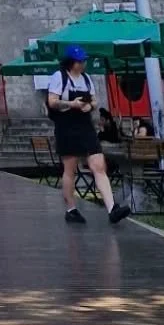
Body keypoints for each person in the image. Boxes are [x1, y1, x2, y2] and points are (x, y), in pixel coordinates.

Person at [46, 46, 130, 226]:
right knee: (70, 169)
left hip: (85, 124)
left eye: (83, 61)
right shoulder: (59, 77)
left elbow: (94, 100)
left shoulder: (86, 78)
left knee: (98, 165)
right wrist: (71, 104)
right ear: (71, 62)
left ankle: (112, 208)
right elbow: (52, 102)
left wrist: (89, 106)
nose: (83, 64)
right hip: (66, 125)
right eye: (79, 61)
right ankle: (71, 209)